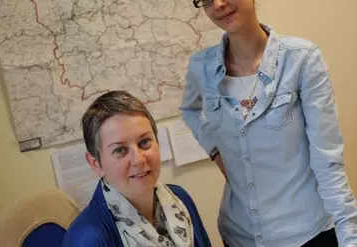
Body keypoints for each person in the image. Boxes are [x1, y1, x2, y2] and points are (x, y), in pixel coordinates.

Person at [180, 0, 357, 247]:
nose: (218, 4)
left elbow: (327, 160)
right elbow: (189, 109)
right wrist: (215, 150)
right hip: (239, 234)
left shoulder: (301, 60)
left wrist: (349, 234)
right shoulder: (202, 67)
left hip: (306, 234)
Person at [62, 90, 212, 247]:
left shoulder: (181, 198)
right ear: (96, 164)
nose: (139, 159)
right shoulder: (87, 239)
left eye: (144, 142)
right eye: (119, 150)